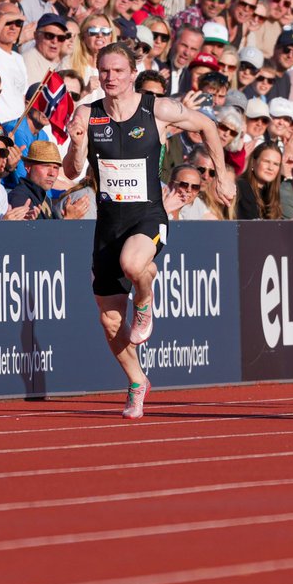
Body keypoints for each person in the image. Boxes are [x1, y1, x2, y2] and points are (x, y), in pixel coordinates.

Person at [62, 42, 234, 421]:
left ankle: (144, 300)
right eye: (105, 71)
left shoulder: (156, 108)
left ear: (132, 73)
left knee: (134, 262)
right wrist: (77, 145)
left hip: (147, 216)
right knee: (109, 320)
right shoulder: (87, 114)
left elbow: (206, 125)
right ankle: (137, 381)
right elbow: (73, 171)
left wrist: (222, 175)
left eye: (118, 71)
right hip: (108, 222)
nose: (110, 78)